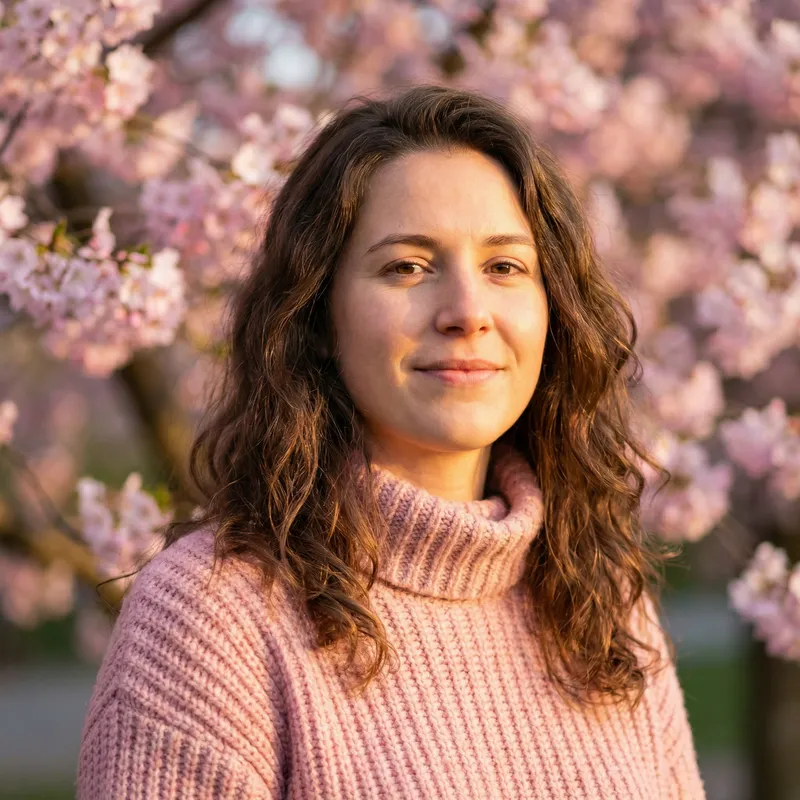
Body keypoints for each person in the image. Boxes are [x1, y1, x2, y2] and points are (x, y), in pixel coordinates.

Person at [76, 83, 706, 799]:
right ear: (315, 317)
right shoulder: (211, 618)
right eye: (407, 266)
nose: (468, 312)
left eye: (505, 267)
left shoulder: (603, 606)